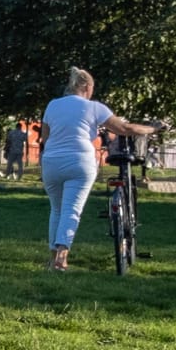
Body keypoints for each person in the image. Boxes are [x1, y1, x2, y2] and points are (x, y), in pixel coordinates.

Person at [39, 67, 156, 271]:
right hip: (79, 161)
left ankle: (52, 259)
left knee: (56, 210)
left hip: (51, 161)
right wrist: (153, 128)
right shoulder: (94, 107)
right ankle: (62, 258)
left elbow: (46, 138)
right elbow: (124, 129)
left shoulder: (52, 105)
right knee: (71, 210)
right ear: (87, 86)